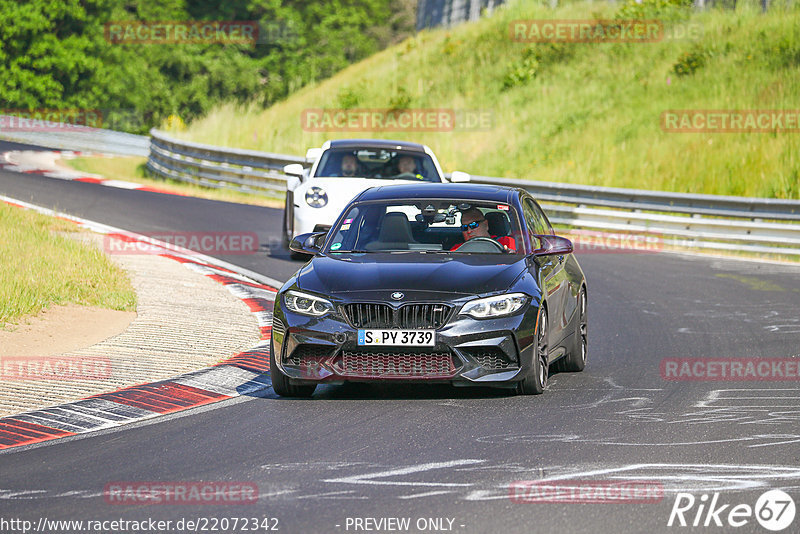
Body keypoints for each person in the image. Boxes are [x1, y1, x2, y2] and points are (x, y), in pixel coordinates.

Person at [450, 208, 516, 251]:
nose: (469, 231)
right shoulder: (458, 249)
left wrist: (511, 256)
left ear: (486, 224)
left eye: (473, 225)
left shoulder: (506, 242)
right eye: (464, 227)